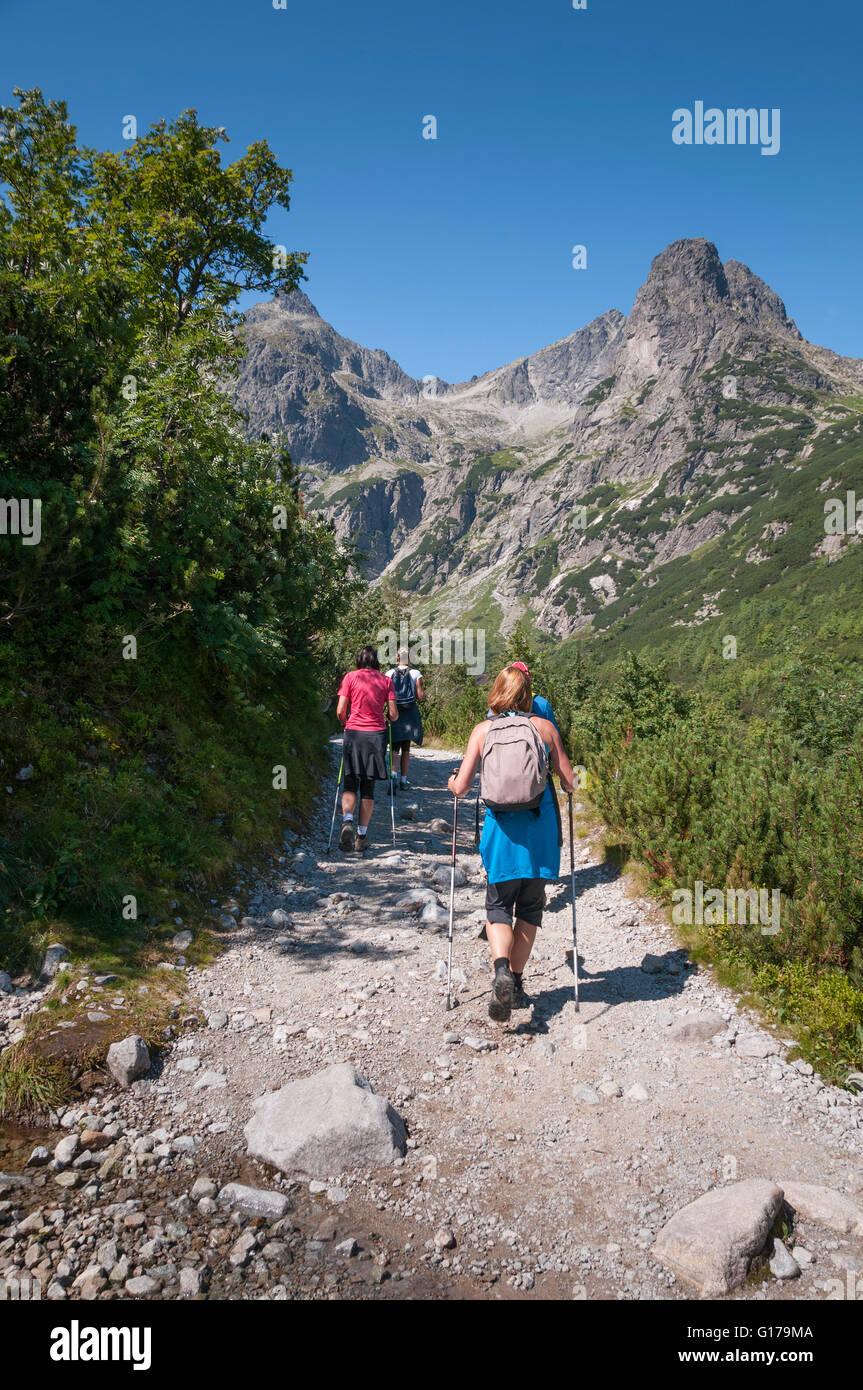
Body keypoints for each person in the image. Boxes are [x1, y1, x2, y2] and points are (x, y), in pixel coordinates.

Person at [448, 665, 575, 1021]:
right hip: (539, 829)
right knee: (531, 908)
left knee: (499, 905)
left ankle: (501, 968)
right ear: (528, 694)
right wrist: (571, 780)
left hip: (501, 831)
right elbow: (568, 781)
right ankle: (516, 983)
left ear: (497, 692)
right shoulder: (544, 727)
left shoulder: (483, 730)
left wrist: (452, 781)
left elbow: (461, 787)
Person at [336, 646, 397, 854]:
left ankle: (347, 821)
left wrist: (346, 723)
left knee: (350, 781)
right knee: (368, 787)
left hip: (353, 733)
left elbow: (340, 710)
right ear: (376, 661)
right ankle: (361, 836)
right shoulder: (386, 681)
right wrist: (391, 718)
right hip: (375, 736)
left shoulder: (350, 677)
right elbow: (393, 713)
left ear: (359, 660)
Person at [385, 648, 424, 789]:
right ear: (409, 658)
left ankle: (393, 776)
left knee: (394, 747)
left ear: (397, 658)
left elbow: (385, 696)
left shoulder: (389, 673)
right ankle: (403, 780)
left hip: (394, 711)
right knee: (406, 748)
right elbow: (420, 696)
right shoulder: (415, 673)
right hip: (409, 713)